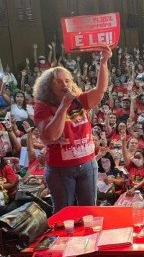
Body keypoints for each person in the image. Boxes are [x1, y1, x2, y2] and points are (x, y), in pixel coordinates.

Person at [33, 46, 112, 212]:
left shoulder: (79, 100)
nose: (64, 84)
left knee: (89, 211)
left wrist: (103, 63)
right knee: (64, 213)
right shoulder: (42, 106)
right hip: (61, 169)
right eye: (58, 81)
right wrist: (63, 106)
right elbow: (52, 134)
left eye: (67, 80)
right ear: (48, 86)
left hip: (88, 163)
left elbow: (100, 91)